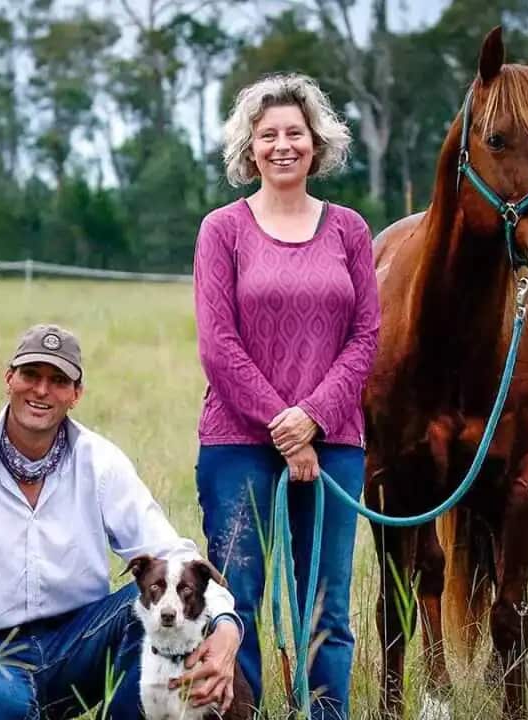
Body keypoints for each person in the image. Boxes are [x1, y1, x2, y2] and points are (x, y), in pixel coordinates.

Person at [0, 324, 245, 720]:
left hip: (78, 642)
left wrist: (225, 624)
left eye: (58, 381)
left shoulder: (100, 463)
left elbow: (173, 555)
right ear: (9, 379)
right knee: (4, 708)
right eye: (30, 375)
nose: (41, 391)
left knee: (150, 611)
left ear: (76, 395)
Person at [192, 73, 381, 720]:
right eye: (267, 135)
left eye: (293, 133)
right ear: (249, 148)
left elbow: (366, 337)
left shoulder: (351, 231)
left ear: (315, 143)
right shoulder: (223, 230)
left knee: (327, 605)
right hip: (237, 443)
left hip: (335, 447)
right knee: (235, 599)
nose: (281, 146)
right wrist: (283, 424)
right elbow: (218, 344)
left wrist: (312, 421)